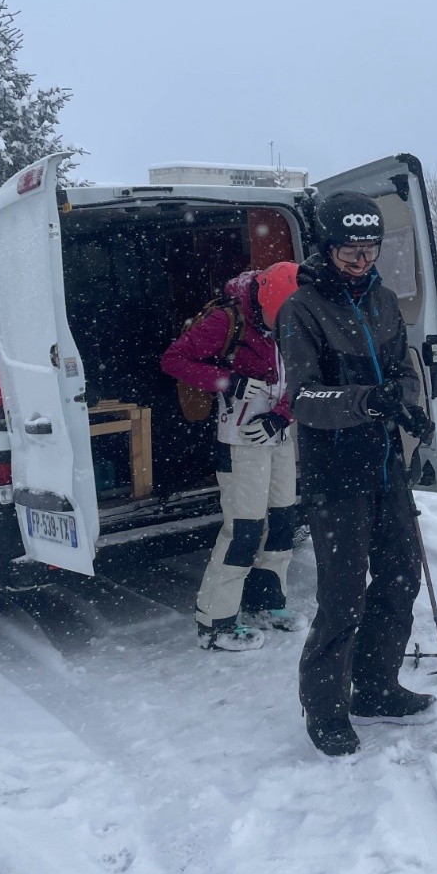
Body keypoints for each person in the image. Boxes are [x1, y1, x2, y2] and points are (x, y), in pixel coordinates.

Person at [276, 193, 437, 757]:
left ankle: (375, 686)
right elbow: (305, 398)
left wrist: (408, 406)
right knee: (343, 595)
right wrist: (366, 402)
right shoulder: (301, 310)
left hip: (386, 465)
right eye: (349, 251)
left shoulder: (385, 302)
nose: (360, 261)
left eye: (369, 251)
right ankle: (325, 707)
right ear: (327, 246)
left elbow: (402, 371)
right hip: (335, 474)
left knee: (400, 578)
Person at [161, 260, 300, 652]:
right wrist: (229, 381)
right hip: (239, 441)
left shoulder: (297, 317)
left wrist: (281, 415)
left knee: (283, 521)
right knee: (245, 529)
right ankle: (216, 621)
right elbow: (173, 360)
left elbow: (306, 373)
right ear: (268, 303)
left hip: (279, 434)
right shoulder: (226, 321)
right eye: (280, 318)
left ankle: (267, 603)